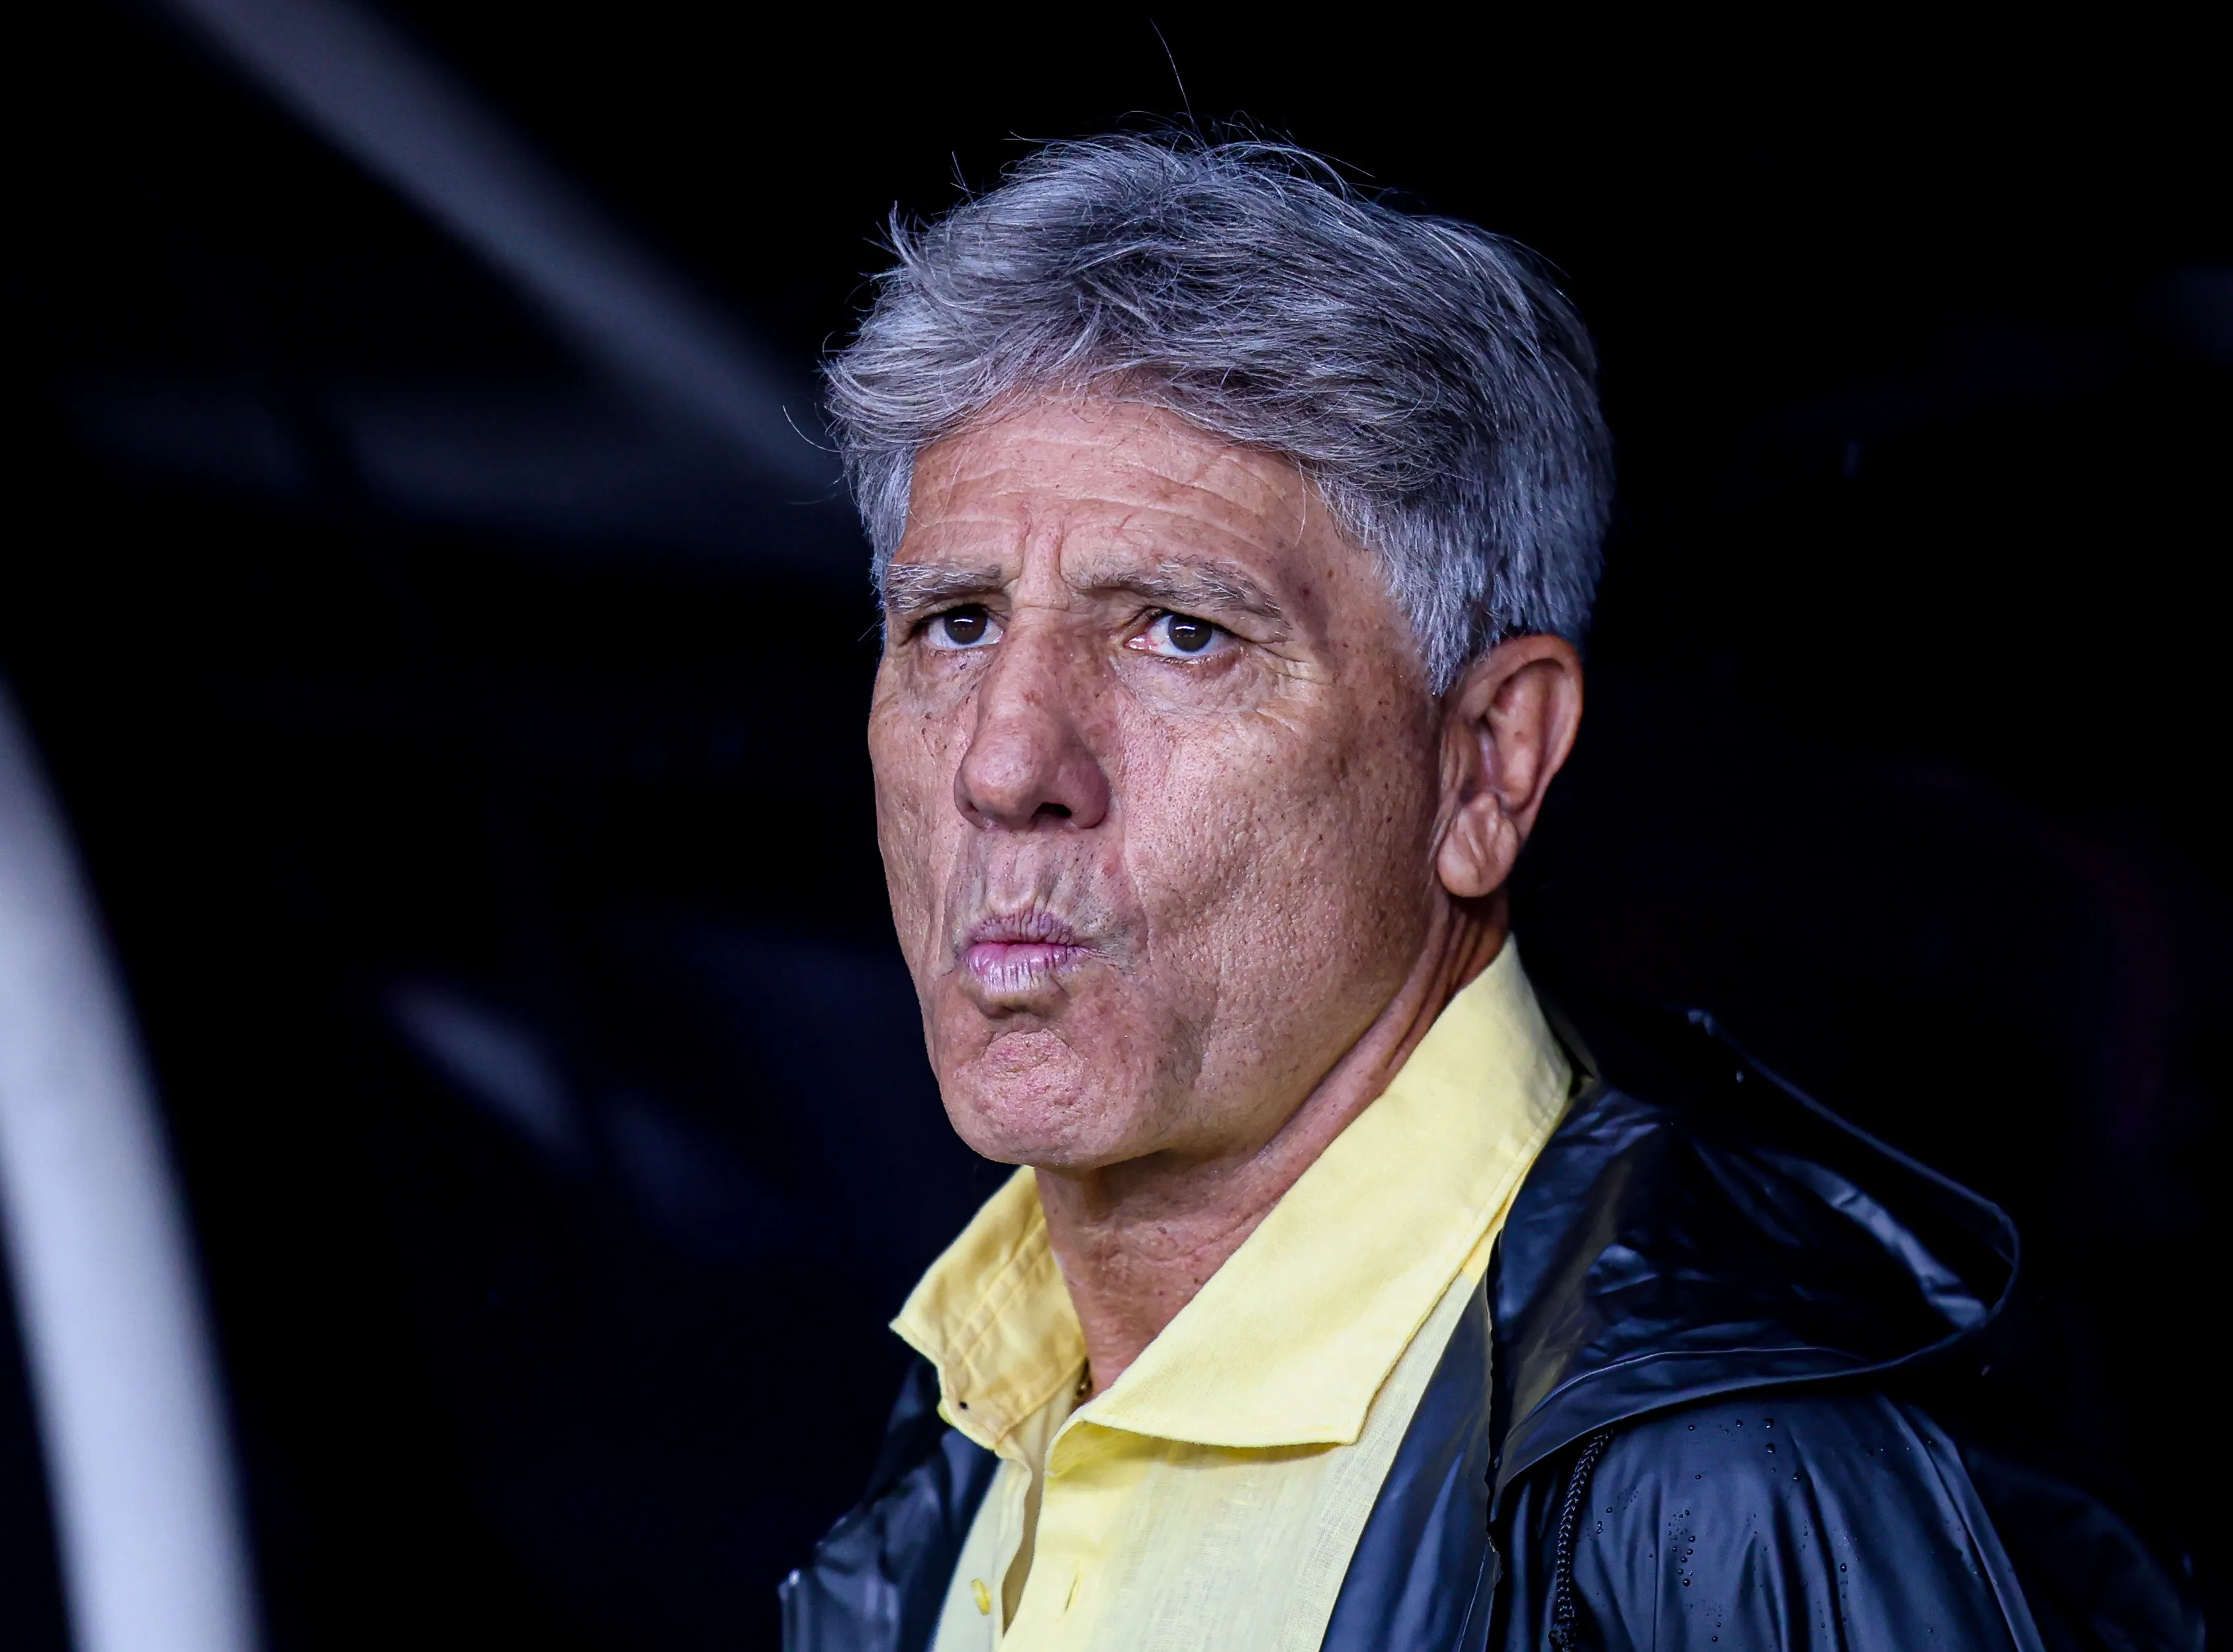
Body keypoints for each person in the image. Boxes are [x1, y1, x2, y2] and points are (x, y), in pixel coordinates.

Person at [779, 136, 2195, 1652]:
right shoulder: (972, 1407)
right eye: (955, 623)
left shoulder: (1736, 1484)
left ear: (1488, 767)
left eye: (1183, 632)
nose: (1003, 764)